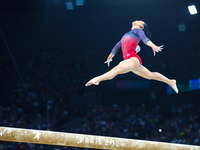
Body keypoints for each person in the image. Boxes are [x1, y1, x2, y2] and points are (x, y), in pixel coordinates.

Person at [85, 20, 178, 94]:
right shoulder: (126, 34)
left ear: (141, 26)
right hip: (132, 62)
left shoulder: (139, 31)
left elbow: (145, 39)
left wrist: (153, 46)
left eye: (140, 21)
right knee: (150, 75)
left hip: (133, 59)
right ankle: (170, 81)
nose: (137, 20)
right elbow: (117, 46)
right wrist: (109, 57)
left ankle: (97, 79)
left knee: (116, 69)